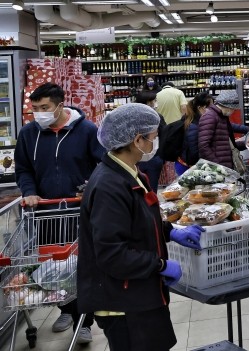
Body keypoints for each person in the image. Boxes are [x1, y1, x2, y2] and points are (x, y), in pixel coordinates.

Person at [77, 103, 206, 351]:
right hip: (123, 303)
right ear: (137, 140)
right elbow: (112, 254)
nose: (154, 144)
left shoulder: (130, 173)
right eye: (153, 138)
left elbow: (138, 221)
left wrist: (171, 232)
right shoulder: (108, 187)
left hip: (140, 291)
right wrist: (160, 265)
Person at [14, 82, 104, 343]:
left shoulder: (87, 130)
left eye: (45, 107)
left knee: (81, 266)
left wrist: (89, 189)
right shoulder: (28, 134)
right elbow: (23, 169)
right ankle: (66, 309)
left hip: (78, 212)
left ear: (60, 106)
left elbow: (102, 164)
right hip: (45, 213)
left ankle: (84, 321)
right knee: (53, 267)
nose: (39, 113)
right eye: (35, 108)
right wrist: (29, 192)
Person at [198, 90, 249, 169]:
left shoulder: (222, 117)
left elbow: (225, 145)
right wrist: (217, 166)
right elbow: (203, 146)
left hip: (224, 167)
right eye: (233, 109)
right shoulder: (209, 117)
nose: (233, 111)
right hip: (217, 168)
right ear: (227, 106)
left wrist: (245, 144)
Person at [176, 92, 214, 175]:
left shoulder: (199, 120)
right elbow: (194, 153)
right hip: (187, 167)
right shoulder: (193, 125)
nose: (212, 110)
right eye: (209, 107)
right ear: (200, 108)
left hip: (189, 165)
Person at [135, 90, 166, 189]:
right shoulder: (157, 117)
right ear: (147, 102)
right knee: (151, 189)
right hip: (152, 157)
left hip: (137, 158)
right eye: (154, 100)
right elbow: (164, 136)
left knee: (138, 188)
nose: (156, 103)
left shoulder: (132, 117)